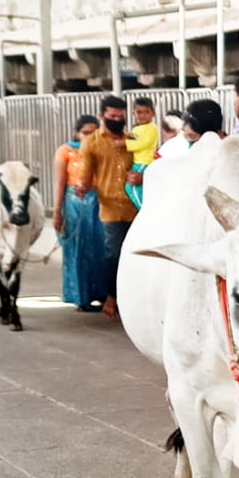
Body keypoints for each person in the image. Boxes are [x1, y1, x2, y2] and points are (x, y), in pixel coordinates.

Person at [78, 94, 137, 320]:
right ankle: (112, 296)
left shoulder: (133, 139)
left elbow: (146, 164)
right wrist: (82, 185)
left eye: (121, 116)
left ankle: (131, 297)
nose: (117, 120)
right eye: (112, 116)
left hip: (134, 206)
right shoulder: (91, 143)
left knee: (133, 254)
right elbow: (85, 174)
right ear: (102, 116)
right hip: (110, 208)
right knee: (113, 254)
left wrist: (140, 177)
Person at [53, 115, 107, 311]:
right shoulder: (66, 150)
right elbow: (59, 182)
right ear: (77, 133)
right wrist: (58, 212)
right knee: (78, 249)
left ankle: (102, 293)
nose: (88, 137)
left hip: (99, 202)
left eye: (93, 133)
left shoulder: (102, 148)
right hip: (74, 203)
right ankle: (80, 297)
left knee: (100, 248)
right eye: (85, 133)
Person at [123, 97, 158, 209]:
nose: (142, 115)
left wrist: (123, 144)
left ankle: (145, 210)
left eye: (146, 112)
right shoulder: (135, 129)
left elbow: (142, 143)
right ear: (133, 113)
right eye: (139, 112)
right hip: (137, 162)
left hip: (144, 162)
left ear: (153, 113)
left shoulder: (152, 128)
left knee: (132, 187)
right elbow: (130, 140)